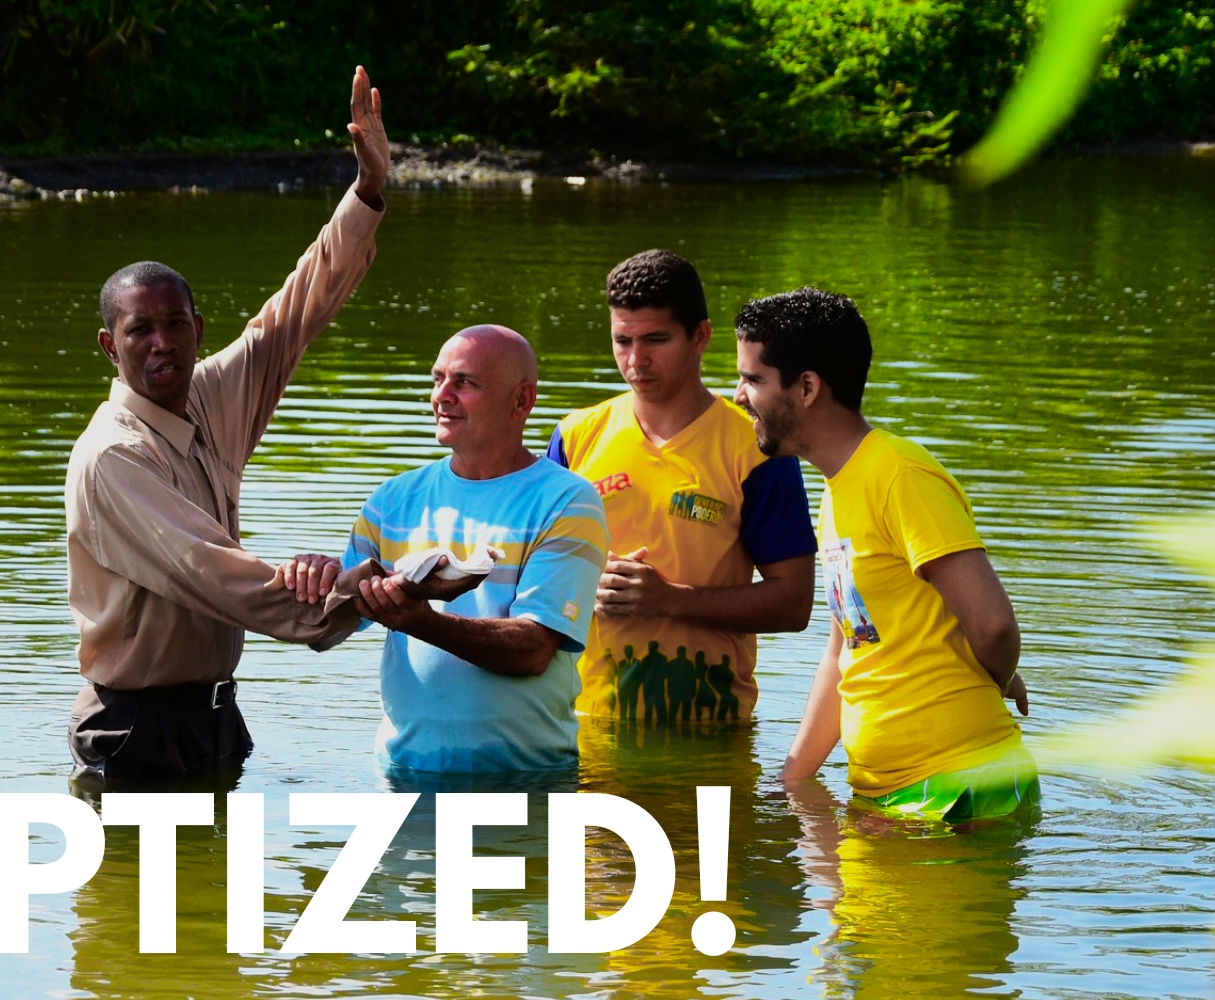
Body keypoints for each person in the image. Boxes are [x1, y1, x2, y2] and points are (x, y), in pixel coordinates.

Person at [63, 67, 392, 791]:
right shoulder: (114, 455)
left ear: (198, 329)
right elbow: (213, 571)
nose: (161, 344)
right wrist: (351, 595)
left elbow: (293, 314)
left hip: (215, 717)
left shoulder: (209, 395)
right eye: (139, 330)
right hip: (134, 730)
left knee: (212, 873)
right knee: (138, 876)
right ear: (109, 345)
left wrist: (367, 189)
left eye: (175, 325)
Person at [734, 287, 1037, 824]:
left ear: (807, 387)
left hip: (957, 792)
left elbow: (993, 627)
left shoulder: (900, 475)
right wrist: (792, 782)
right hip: (894, 798)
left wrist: (985, 678)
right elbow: (848, 649)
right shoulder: (838, 490)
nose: (738, 395)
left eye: (753, 379)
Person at [546, 250, 815, 725]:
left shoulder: (755, 446)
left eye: (656, 339)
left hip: (711, 731)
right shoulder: (574, 436)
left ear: (700, 336)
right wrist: (581, 587)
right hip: (581, 726)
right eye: (622, 340)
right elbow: (534, 578)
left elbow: (794, 604)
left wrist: (669, 600)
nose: (636, 360)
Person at [344, 325, 609, 774]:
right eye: (438, 379)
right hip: (402, 774)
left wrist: (420, 621)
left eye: (464, 382)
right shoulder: (393, 500)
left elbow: (533, 649)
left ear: (521, 401)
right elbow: (333, 622)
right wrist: (312, 580)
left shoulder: (568, 500)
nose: (441, 396)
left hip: (526, 778)